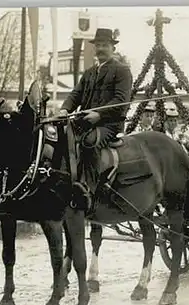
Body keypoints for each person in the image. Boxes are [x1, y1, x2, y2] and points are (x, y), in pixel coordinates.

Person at [59, 28, 133, 204]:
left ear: (112, 48)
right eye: (98, 45)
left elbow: (121, 100)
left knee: (89, 142)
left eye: (105, 45)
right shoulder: (90, 72)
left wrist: (99, 114)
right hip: (85, 121)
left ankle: (88, 190)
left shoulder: (122, 70)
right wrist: (64, 110)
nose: (100, 48)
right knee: (61, 137)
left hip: (109, 124)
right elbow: (75, 95)